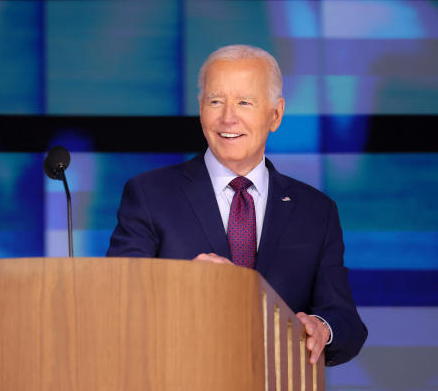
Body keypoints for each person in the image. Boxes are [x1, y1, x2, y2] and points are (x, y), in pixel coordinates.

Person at [106, 44, 367, 366]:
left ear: (276, 114)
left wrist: (322, 328)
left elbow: (346, 322)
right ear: (201, 108)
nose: (228, 118)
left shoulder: (316, 210)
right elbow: (116, 300)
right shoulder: (149, 194)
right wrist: (181, 287)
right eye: (216, 102)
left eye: (245, 102)